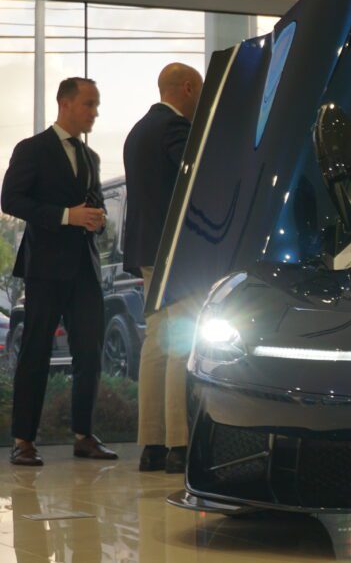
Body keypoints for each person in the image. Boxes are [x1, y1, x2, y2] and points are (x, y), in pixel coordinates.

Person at [1, 77, 118, 466]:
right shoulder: (32, 149)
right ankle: (23, 441)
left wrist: (97, 219)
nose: (94, 113)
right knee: (35, 351)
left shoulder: (90, 158)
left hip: (84, 268)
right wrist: (68, 216)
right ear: (65, 103)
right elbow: (11, 198)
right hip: (45, 269)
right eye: (88, 104)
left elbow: (94, 203)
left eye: (96, 105)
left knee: (90, 350)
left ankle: (84, 436)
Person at [123, 63, 203, 473]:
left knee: (155, 341)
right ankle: (178, 445)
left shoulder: (137, 131)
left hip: (147, 251)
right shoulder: (176, 130)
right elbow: (196, 180)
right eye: (200, 93)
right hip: (178, 250)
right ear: (187, 88)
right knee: (181, 342)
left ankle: (150, 444)